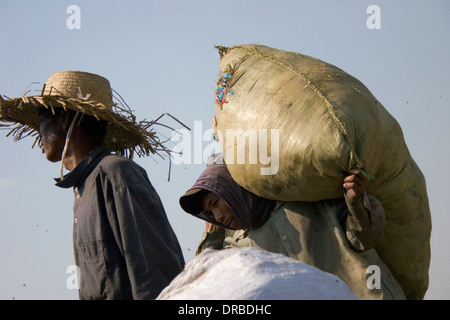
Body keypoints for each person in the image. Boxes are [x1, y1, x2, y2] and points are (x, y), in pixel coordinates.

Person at [0, 71, 185, 299]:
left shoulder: (116, 173)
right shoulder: (83, 188)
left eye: (42, 120)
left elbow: (156, 275)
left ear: (65, 119)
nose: (39, 132)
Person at [179, 154, 406, 300]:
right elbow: (207, 289)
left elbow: (365, 238)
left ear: (233, 188)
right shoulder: (239, 249)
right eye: (209, 213)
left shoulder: (305, 198)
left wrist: (355, 200)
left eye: (216, 202)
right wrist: (211, 239)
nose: (217, 216)